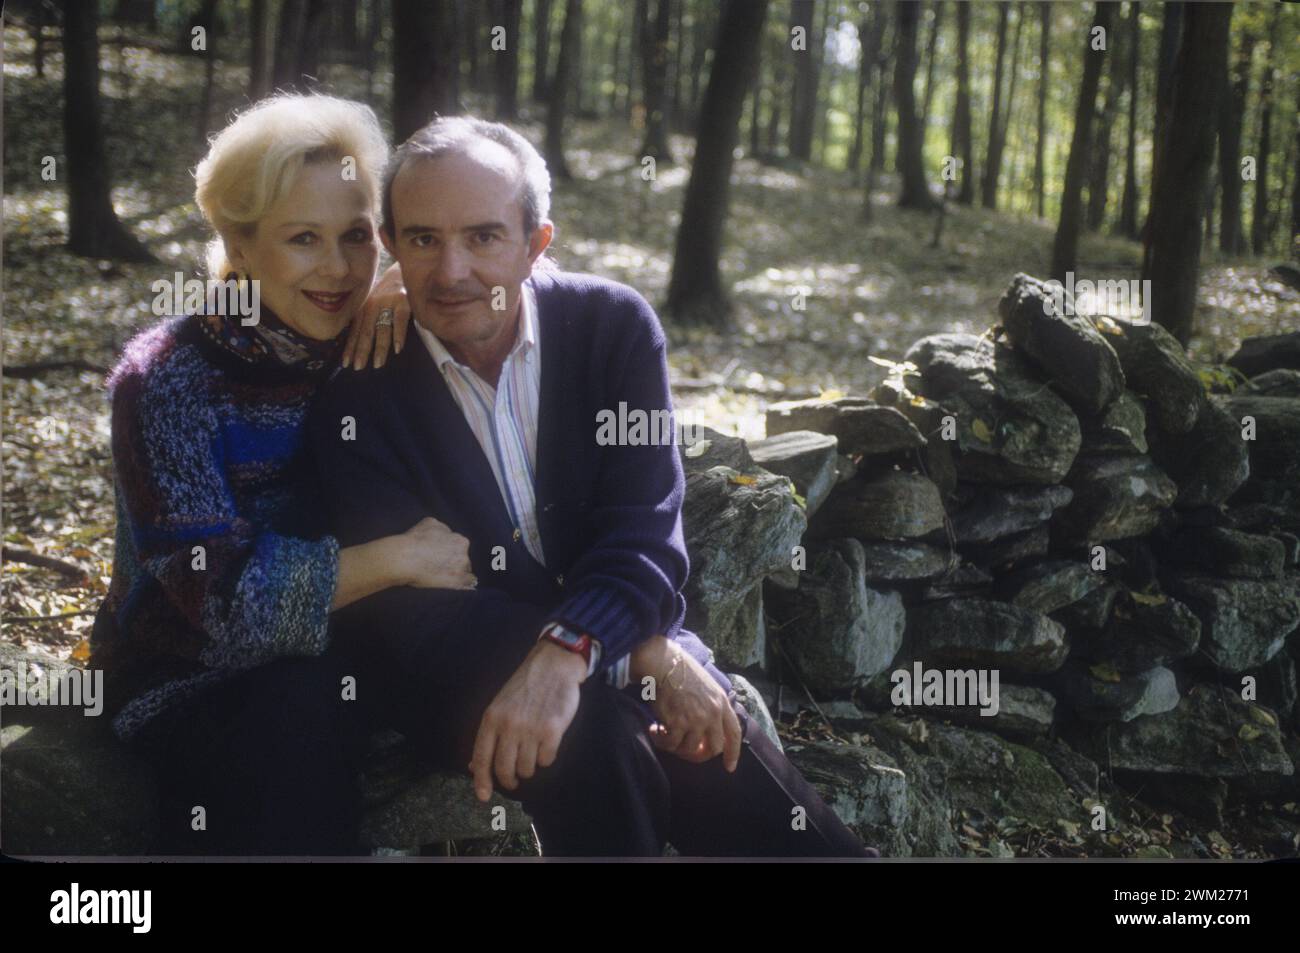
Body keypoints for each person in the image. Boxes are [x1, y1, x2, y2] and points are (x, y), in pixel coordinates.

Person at [310, 116, 880, 858]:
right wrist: (632, 647)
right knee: (598, 736)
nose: (451, 272)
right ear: (390, 245)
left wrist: (574, 651)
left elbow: (643, 533)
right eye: (422, 239)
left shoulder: (611, 329)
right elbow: (415, 619)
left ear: (536, 244)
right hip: (450, 672)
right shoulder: (358, 393)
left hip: (586, 643)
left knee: (706, 739)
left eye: (483, 237)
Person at [89, 93, 455, 856]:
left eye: (357, 237)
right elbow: (219, 604)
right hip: (188, 672)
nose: (338, 269)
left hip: (351, 644)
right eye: (302, 239)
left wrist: (405, 282)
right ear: (240, 244)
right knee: (298, 707)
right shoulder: (168, 378)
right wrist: (394, 560)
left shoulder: (379, 338)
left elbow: (506, 265)